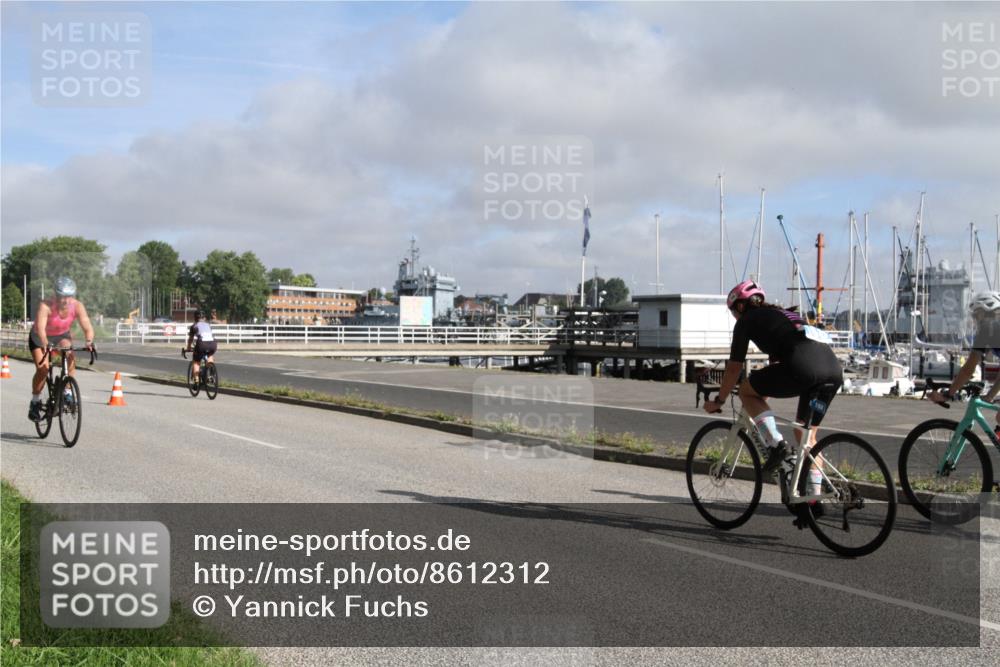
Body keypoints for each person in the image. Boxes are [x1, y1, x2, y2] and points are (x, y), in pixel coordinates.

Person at [703, 281, 844, 486]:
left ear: (740, 306)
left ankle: (777, 445)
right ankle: (813, 501)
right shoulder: (784, 316)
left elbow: (734, 368)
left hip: (803, 370)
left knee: (745, 390)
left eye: (733, 311)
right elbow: (775, 371)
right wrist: (758, 400)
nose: (734, 316)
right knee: (807, 436)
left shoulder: (746, 321)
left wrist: (719, 400)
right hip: (832, 373)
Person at [28, 277, 95, 421]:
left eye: (69, 297)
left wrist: (89, 341)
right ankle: (35, 402)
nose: (65, 300)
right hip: (40, 337)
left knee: (69, 351)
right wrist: (45, 342)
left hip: (61, 335)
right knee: (43, 369)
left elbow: (87, 327)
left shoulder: (77, 306)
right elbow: (40, 328)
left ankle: (67, 391)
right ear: (55, 295)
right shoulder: (45, 306)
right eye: (62, 297)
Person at [930, 292, 1000, 417]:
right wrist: (990, 396)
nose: (974, 318)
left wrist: (948, 394)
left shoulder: (987, 329)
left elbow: (968, 369)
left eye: (976, 314)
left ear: (985, 311)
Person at [184, 310, 217, 383]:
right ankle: (211, 372)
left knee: (196, 361)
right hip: (213, 343)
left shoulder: (194, 326)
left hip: (202, 343)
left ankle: (196, 379)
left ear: (195, 318)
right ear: (204, 318)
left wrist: (188, 348)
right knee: (210, 355)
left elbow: (190, 339)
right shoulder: (208, 325)